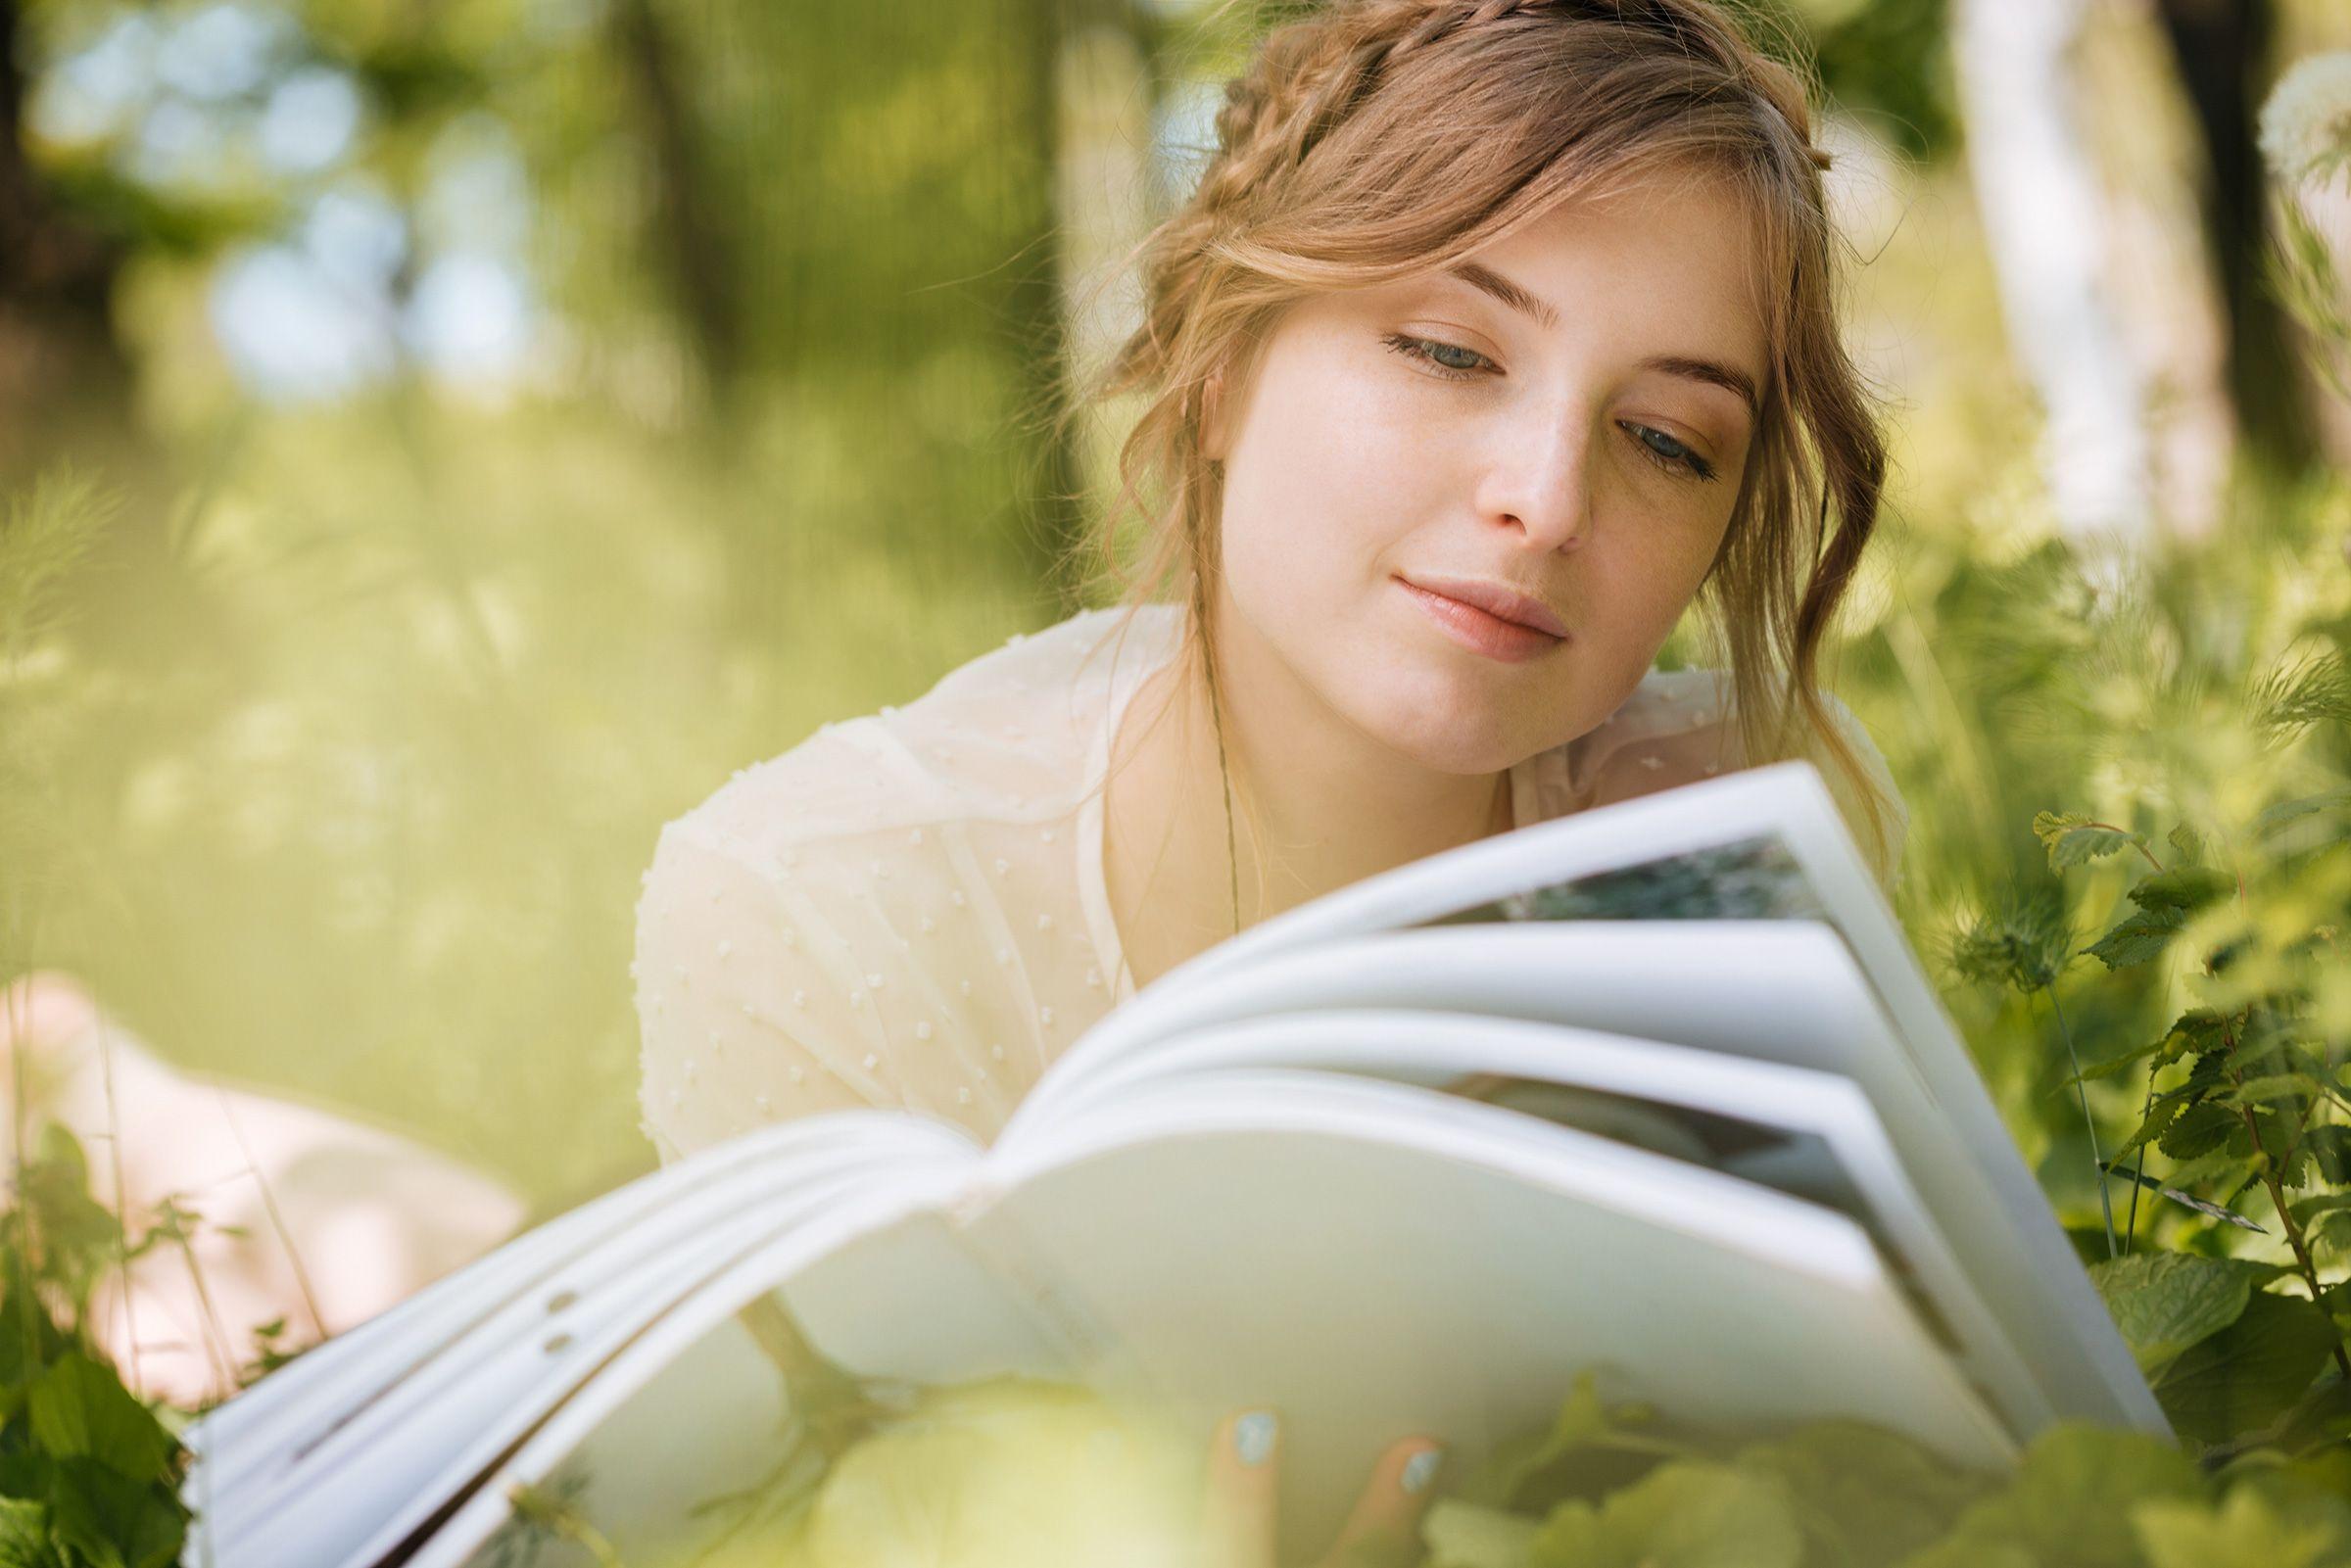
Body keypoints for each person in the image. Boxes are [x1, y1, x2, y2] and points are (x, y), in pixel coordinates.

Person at [632, 0, 1910, 1561]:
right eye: (1450, 349)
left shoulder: (1747, 823)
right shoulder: (811, 911)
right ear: (1222, 362)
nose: (1547, 497)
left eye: (1664, 438)